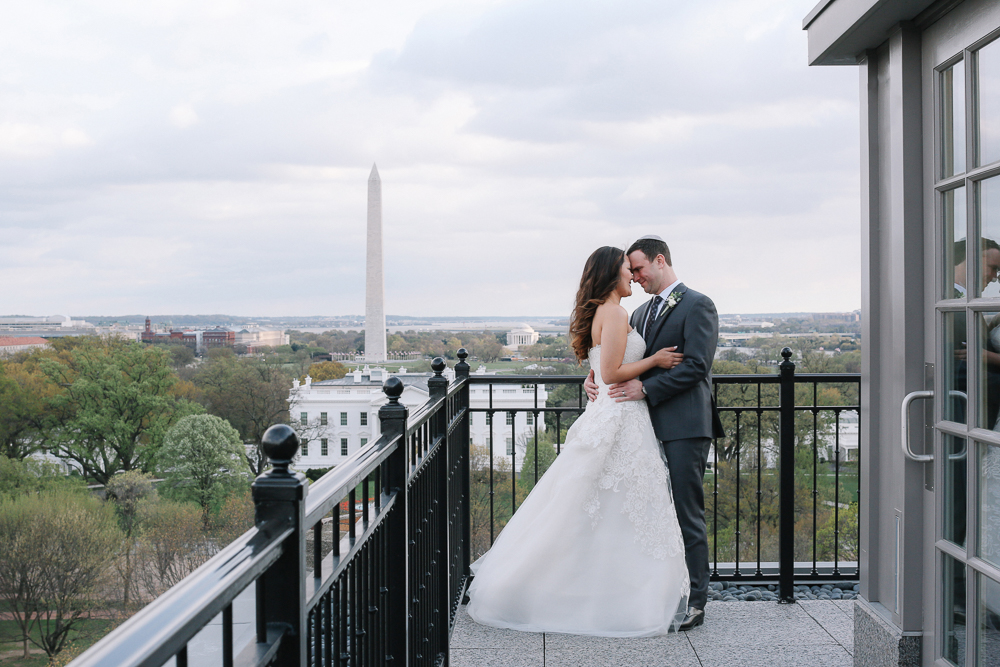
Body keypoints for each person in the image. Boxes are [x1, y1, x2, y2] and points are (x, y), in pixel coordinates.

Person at [465, 246, 691, 637]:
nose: (632, 276)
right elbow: (613, 370)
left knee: (596, 509)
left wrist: (600, 379)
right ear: (611, 273)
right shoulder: (617, 312)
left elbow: (600, 371)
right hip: (619, 417)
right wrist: (655, 361)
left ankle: (585, 591)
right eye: (626, 268)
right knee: (614, 509)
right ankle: (617, 598)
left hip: (611, 413)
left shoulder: (607, 313)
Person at [585, 234, 724, 631]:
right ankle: (652, 591)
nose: (635, 275)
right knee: (641, 512)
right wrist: (592, 376)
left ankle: (697, 601)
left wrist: (645, 388)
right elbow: (623, 358)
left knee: (686, 512)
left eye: (639, 268)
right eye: (630, 270)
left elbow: (696, 365)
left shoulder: (699, 304)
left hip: (683, 427)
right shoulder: (641, 312)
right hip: (640, 428)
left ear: (660, 261)